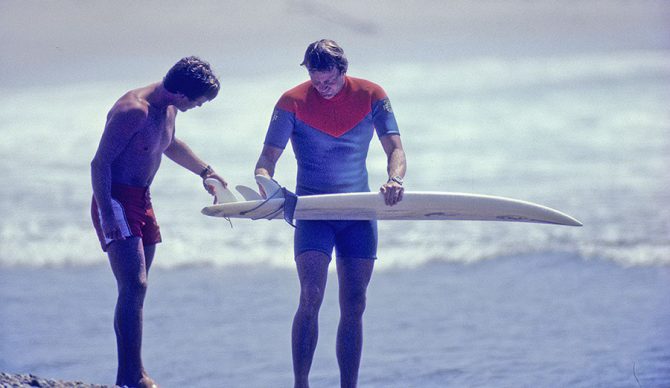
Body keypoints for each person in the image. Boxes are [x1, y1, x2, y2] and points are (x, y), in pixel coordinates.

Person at [254, 39, 406, 388]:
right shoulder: (291, 102)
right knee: (311, 295)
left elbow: (395, 148)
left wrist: (395, 179)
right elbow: (266, 159)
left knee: (355, 302)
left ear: (343, 70)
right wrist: (264, 181)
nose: (321, 87)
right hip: (313, 212)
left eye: (329, 81)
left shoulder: (372, 95)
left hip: (358, 213)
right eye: (314, 79)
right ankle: (301, 384)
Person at [90, 56, 226, 388]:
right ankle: (131, 376)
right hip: (116, 199)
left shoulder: (168, 109)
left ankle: (131, 373)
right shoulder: (133, 110)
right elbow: (99, 164)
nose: (197, 107)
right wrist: (108, 215)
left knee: (136, 289)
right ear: (182, 95)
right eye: (198, 101)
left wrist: (205, 172)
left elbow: (168, 144)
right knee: (135, 285)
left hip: (142, 199)